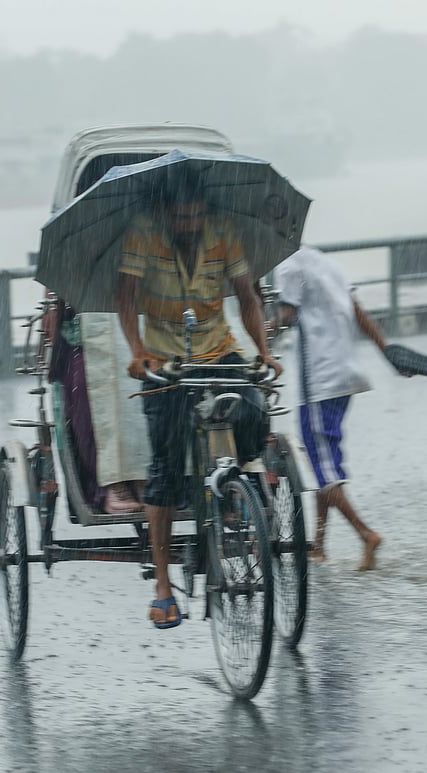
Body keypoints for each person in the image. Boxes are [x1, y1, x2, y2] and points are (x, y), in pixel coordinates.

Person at [116, 167, 282, 629]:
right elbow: (125, 296)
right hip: (164, 357)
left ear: (205, 210)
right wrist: (137, 350)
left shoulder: (223, 231)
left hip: (219, 346)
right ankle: (164, 585)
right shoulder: (143, 232)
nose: (189, 225)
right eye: (180, 218)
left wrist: (264, 351)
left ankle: (237, 489)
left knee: (254, 409)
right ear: (166, 213)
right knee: (166, 468)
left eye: (195, 216)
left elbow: (247, 295)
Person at [273, 245, 403, 571]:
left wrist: (258, 336)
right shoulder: (328, 263)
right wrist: (387, 351)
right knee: (325, 460)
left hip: (319, 379)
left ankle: (366, 534)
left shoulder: (287, 266)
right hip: (346, 375)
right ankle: (318, 545)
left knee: (322, 466)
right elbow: (359, 313)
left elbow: (287, 316)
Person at [41, 292, 144, 514]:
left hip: (137, 337)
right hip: (84, 345)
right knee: (90, 384)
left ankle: (143, 476)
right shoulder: (73, 265)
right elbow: (52, 317)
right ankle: (111, 484)